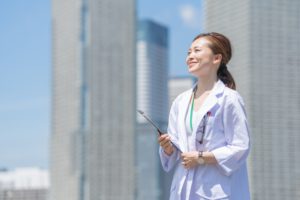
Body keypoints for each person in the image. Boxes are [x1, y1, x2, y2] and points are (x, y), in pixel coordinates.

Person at [158, 32, 250, 200]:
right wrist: (168, 148)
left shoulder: (229, 99)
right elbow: (177, 148)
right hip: (183, 188)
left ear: (216, 59)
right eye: (188, 52)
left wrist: (201, 158)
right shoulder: (181, 101)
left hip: (217, 189)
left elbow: (240, 147)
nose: (190, 56)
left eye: (197, 51)